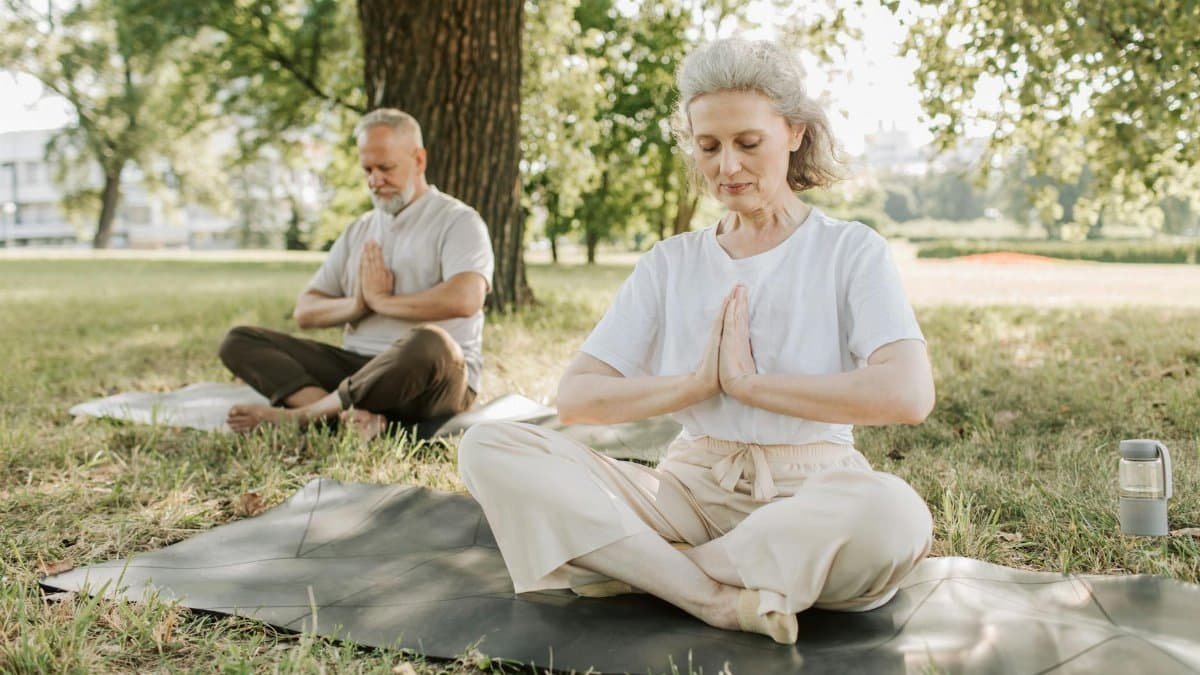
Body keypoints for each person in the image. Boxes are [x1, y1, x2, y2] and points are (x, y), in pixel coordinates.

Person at [457, 39, 935, 644]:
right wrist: (695, 385)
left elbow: (908, 394)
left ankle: (641, 569)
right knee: (489, 447)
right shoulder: (670, 262)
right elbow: (578, 397)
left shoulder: (850, 250)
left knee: (893, 518)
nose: (727, 167)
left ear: (793, 132)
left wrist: (749, 386)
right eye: (708, 147)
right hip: (686, 491)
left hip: (812, 490)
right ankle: (712, 596)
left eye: (748, 144)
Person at [219, 108, 494, 439]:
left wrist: (382, 301)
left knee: (430, 342)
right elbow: (305, 311)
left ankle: (308, 416)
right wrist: (358, 305)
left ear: (419, 160)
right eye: (368, 169)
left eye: (386, 168)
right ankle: (345, 419)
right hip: (358, 369)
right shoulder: (359, 230)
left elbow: (465, 298)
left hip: (430, 380)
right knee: (240, 340)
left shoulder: (458, 221)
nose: (375, 180)